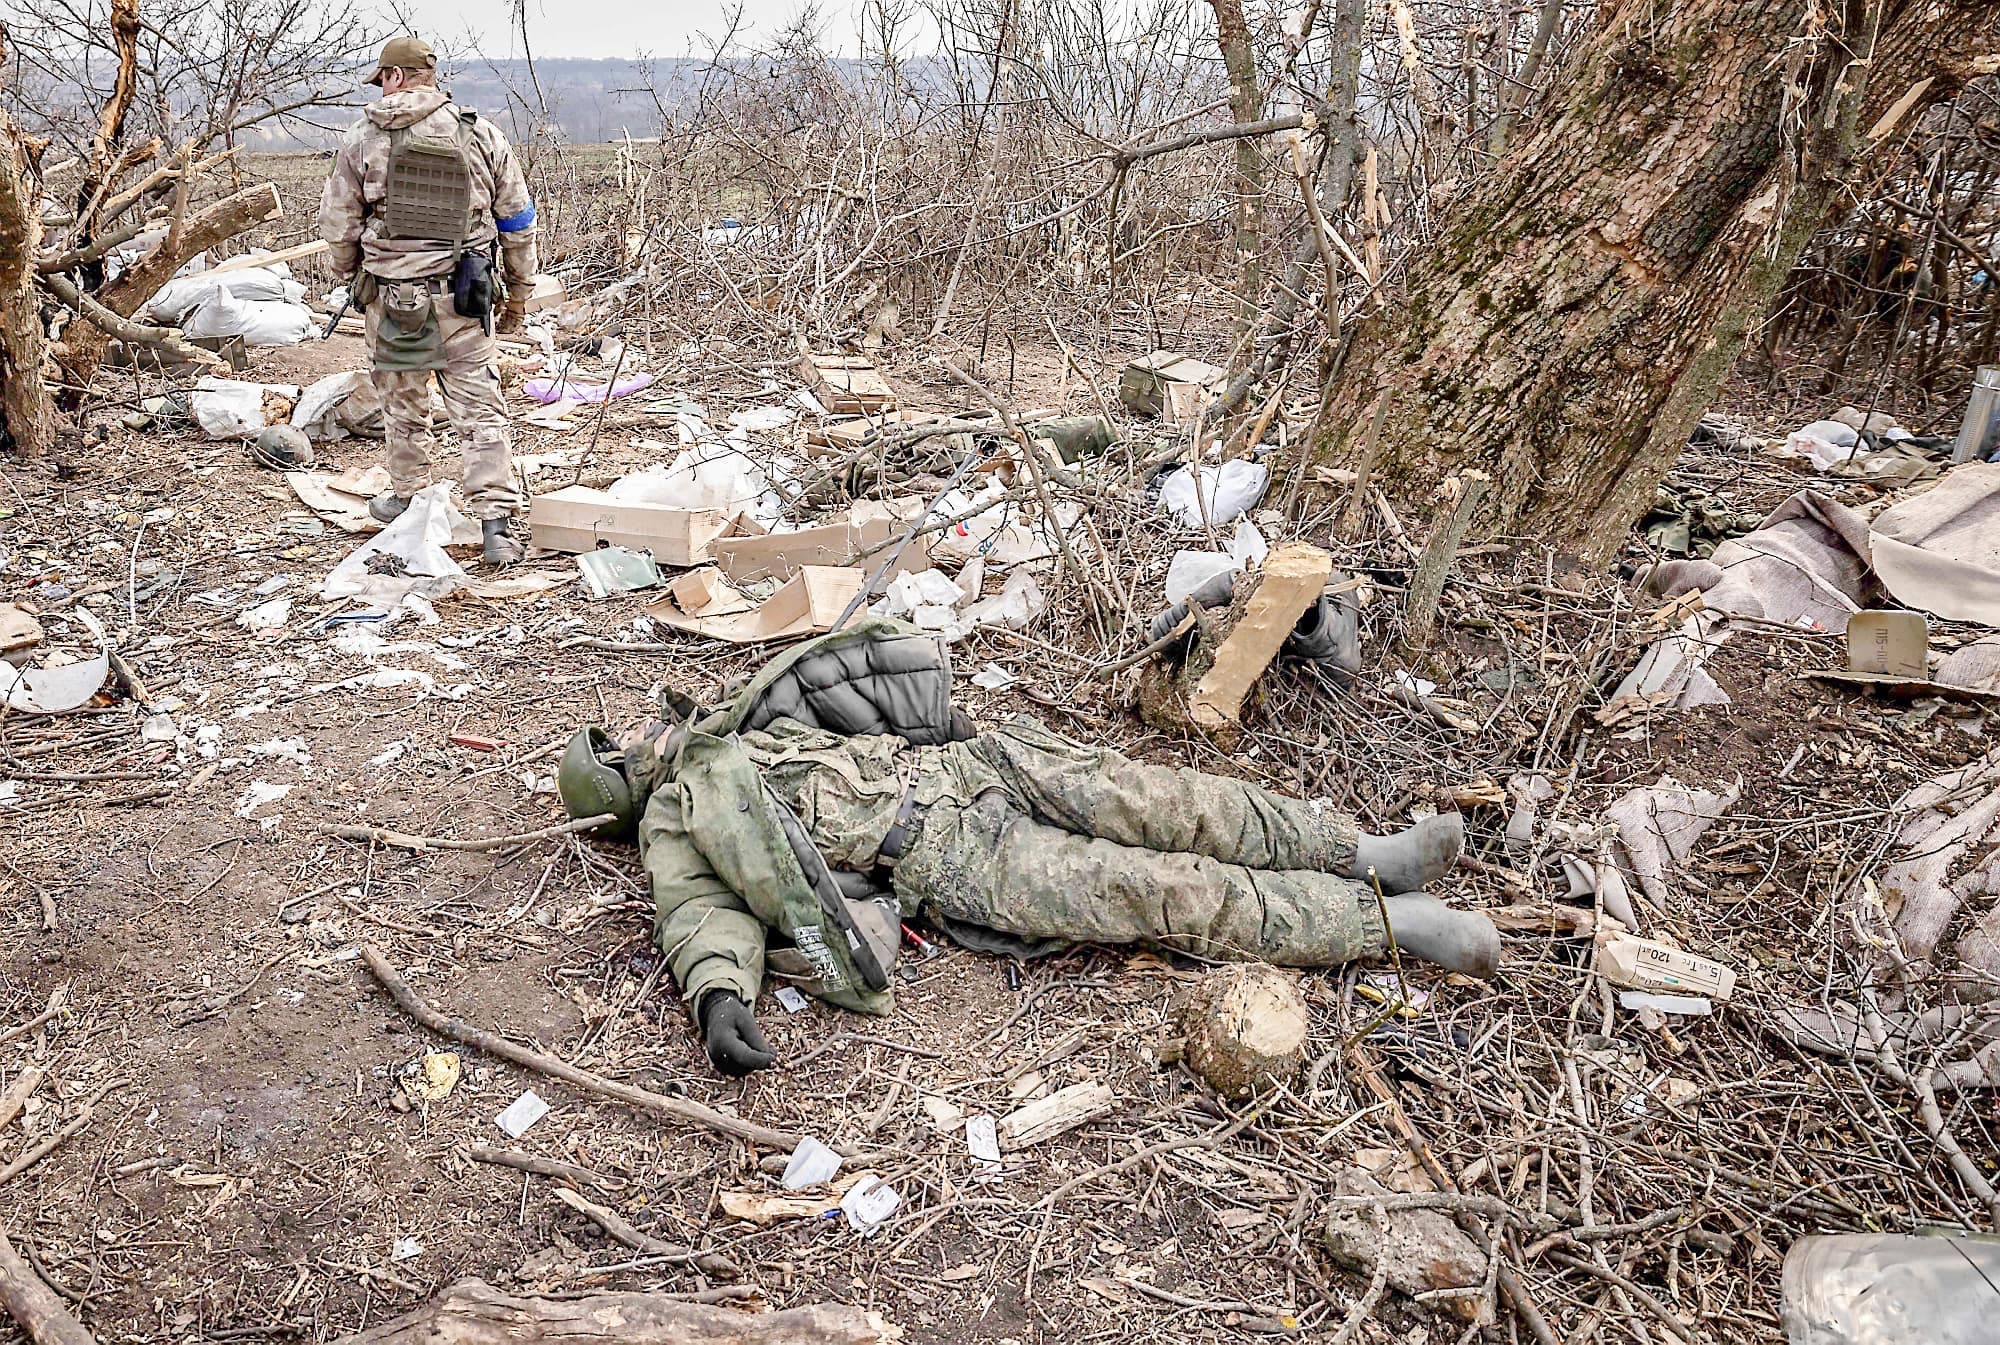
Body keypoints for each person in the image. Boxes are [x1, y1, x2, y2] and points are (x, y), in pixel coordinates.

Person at [561, 621, 1500, 1077]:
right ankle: (1388, 924)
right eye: (616, 756)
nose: (633, 740)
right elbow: (698, 910)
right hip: (945, 851)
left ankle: (1367, 850)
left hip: (979, 765)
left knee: (1177, 801)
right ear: (621, 793)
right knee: (1159, 890)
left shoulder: (729, 727)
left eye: (620, 733)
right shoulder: (680, 813)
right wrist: (720, 994)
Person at [318, 36, 538, 565]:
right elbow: (517, 221)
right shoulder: (479, 133)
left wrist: (352, 276)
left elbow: (339, 226)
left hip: (392, 301)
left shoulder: (362, 137)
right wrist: (519, 293)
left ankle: (408, 501)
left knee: (402, 405)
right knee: (481, 411)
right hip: (465, 297)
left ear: (393, 76)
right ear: (430, 76)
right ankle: (496, 525)